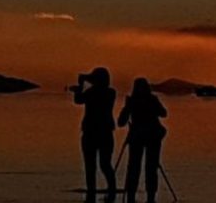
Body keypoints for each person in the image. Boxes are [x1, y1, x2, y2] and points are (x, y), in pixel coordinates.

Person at [71, 67, 118, 203]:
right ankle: (111, 191)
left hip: (92, 133)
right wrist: (84, 82)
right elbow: (81, 99)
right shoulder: (110, 92)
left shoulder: (95, 92)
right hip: (105, 133)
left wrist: (80, 85)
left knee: (91, 166)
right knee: (104, 164)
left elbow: (78, 100)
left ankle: (94, 192)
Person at [118, 78, 168, 203]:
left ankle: (144, 197)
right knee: (144, 167)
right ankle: (141, 197)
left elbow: (163, 113)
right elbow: (121, 122)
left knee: (142, 167)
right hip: (146, 137)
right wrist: (127, 107)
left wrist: (128, 107)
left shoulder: (144, 100)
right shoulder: (147, 100)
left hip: (146, 137)